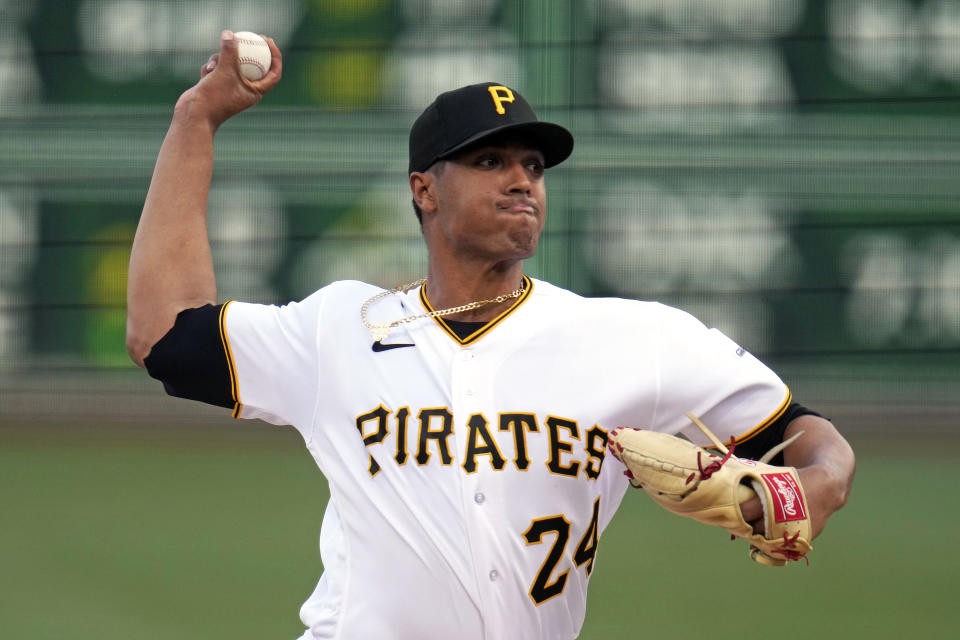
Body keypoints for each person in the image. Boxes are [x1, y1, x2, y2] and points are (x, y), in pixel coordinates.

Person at [126, 31, 855, 640]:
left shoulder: (634, 339)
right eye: (490, 161)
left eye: (533, 166)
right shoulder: (337, 329)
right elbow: (164, 333)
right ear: (424, 189)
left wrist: (815, 488)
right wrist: (197, 119)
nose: (522, 181)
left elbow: (808, 437)